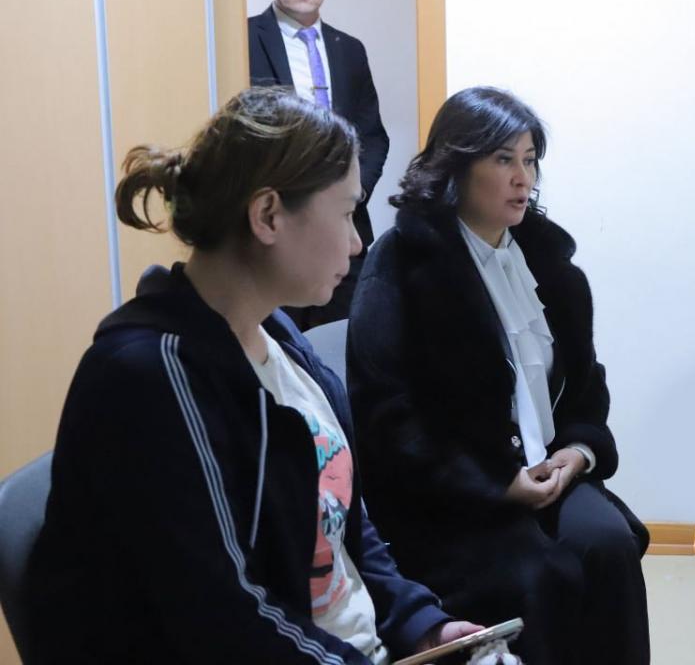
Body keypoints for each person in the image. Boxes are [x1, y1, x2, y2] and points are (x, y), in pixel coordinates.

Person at [26, 88, 480, 664]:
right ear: (268, 216)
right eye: (346, 213)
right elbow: (222, 619)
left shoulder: (277, 338)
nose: (357, 241)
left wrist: (423, 626)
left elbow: (339, 524)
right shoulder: (148, 379)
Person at [346, 86, 651, 665]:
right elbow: (387, 419)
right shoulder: (403, 262)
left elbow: (587, 387)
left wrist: (579, 452)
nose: (522, 178)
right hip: (451, 494)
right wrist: (497, 484)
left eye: (530, 160)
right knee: (543, 575)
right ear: (457, 165)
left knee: (609, 546)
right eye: (504, 159)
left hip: (549, 471)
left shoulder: (548, 264)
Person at [249, 0, 389, 330]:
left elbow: (372, 136)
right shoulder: (242, 41)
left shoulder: (350, 50)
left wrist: (351, 195)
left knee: (345, 343)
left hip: (347, 231)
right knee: (283, 345)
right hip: (277, 231)